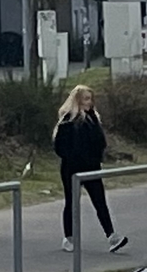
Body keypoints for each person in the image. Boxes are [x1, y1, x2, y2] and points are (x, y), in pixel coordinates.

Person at [52, 85, 128, 253]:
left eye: (91, 99)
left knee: (100, 201)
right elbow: (60, 146)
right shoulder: (68, 121)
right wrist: (73, 157)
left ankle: (112, 236)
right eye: (86, 99)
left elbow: (100, 142)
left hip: (92, 167)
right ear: (78, 100)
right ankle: (69, 237)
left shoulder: (93, 120)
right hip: (72, 168)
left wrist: (97, 157)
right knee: (71, 202)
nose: (90, 102)